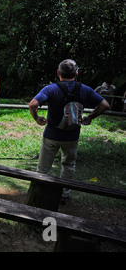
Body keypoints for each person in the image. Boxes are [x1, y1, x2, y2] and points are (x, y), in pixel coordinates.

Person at [29, 59, 110, 203]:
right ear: (76, 73)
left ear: (58, 73)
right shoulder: (84, 89)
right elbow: (104, 104)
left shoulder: (51, 88)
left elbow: (33, 104)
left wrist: (37, 118)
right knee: (68, 165)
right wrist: (90, 117)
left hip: (52, 134)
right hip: (72, 136)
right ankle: (64, 195)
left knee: (43, 167)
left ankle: (38, 192)